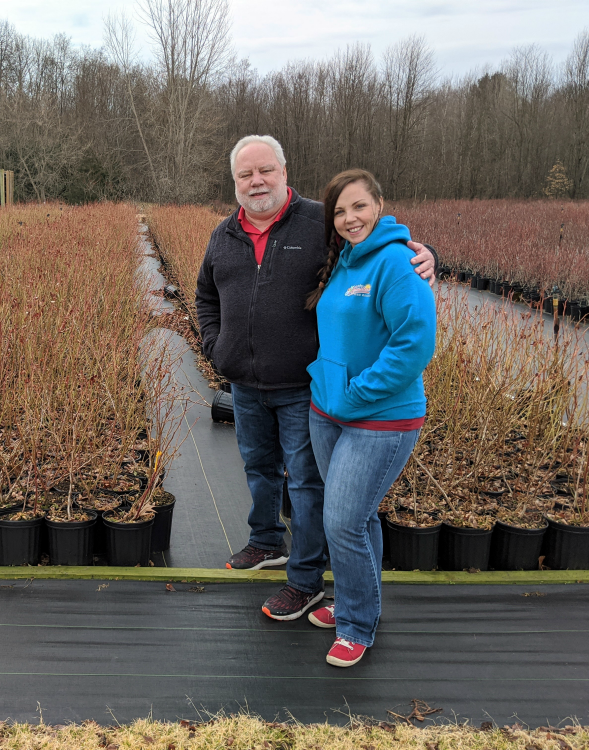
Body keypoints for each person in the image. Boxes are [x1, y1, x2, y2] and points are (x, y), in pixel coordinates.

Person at [194, 135, 436, 622]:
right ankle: (265, 541)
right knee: (258, 469)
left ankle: (305, 581)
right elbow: (205, 296)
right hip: (244, 385)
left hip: (303, 387)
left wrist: (428, 254)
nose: (256, 181)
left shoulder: (317, 221)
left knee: (306, 485)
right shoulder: (224, 235)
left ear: (284, 172)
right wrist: (215, 347)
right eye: (246, 174)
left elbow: (373, 242)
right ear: (236, 182)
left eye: (265, 170)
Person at [302, 168, 436, 667]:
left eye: (358, 206)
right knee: (357, 518)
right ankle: (360, 602)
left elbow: (415, 342)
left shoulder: (399, 264)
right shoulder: (343, 261)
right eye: (339, 211)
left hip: (380, 418)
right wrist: (327, 384)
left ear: (379, 204)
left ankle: (358, 623)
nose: (349, 218)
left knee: (341, 521)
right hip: (328, 411)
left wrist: (357, 393)